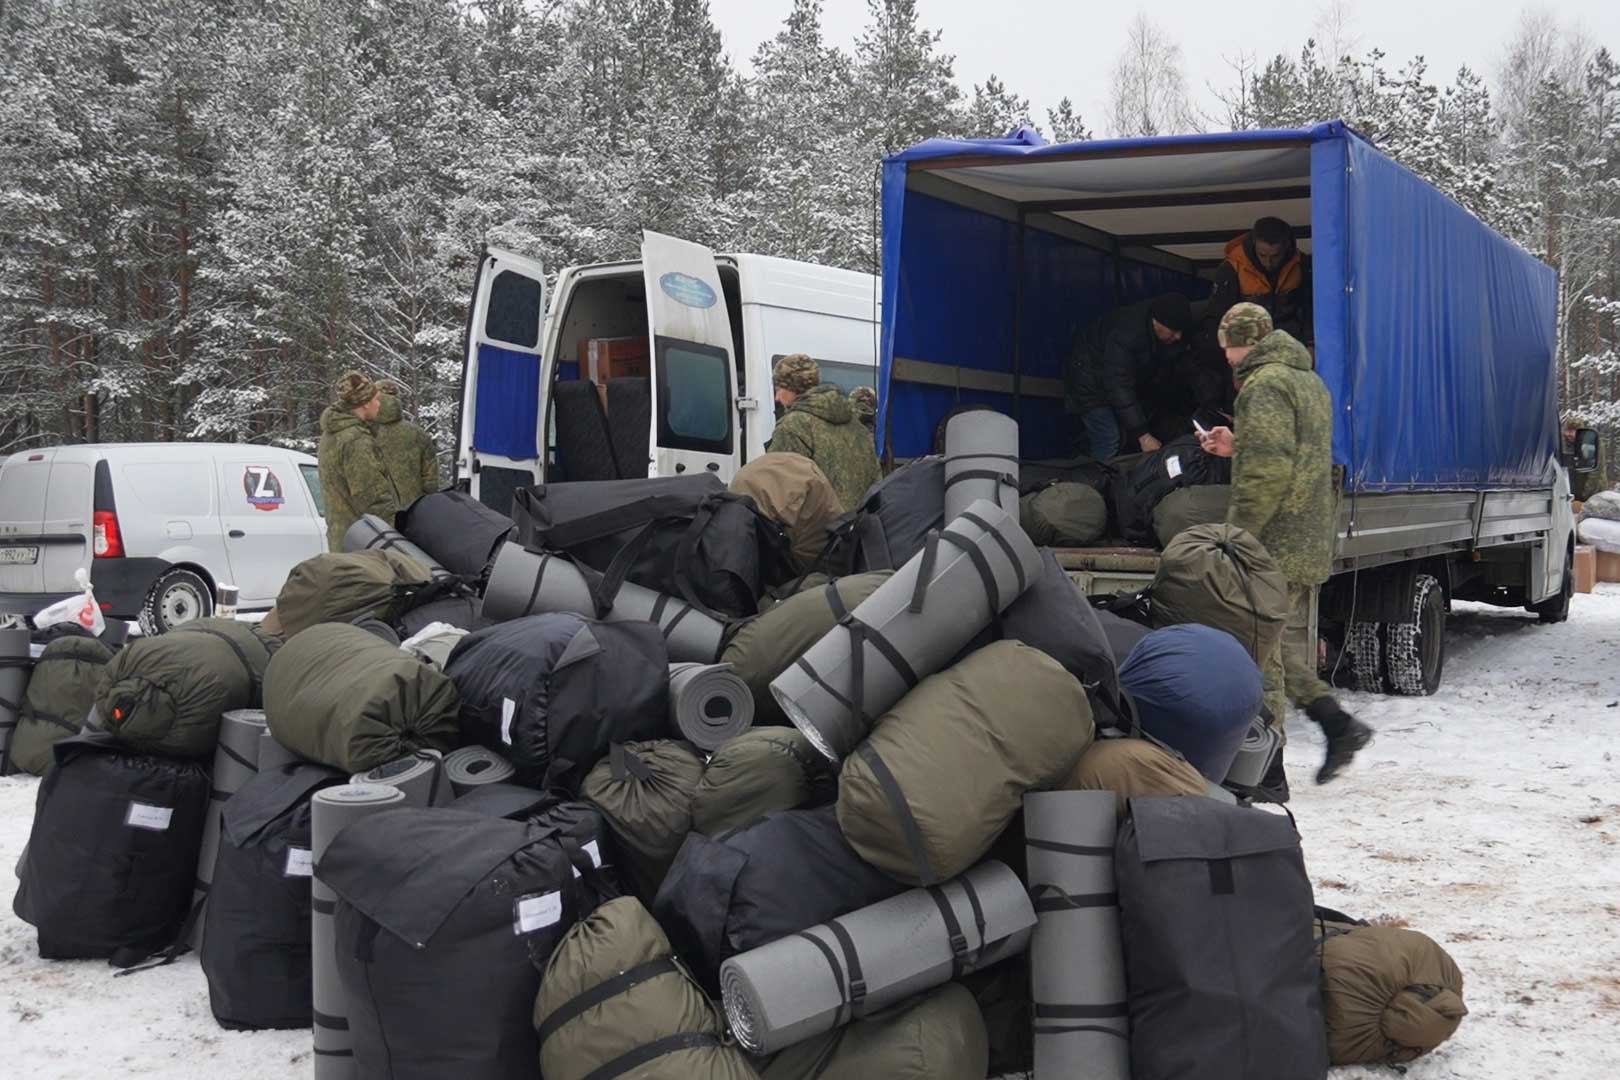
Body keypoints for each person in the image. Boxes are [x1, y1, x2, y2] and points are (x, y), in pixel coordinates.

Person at [1199, 303, 1372, 791]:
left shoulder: (1265, 384)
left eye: (1228, 346)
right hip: (1309, 534)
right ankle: (1335, 723)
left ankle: (1267, 774)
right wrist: (1239, 443)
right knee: (1268, 643)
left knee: (1256, 652)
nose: (1227, 357)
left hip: (1276, 541)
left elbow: (1267, 473)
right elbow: (1289, 451)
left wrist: (1235, 537)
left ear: (1242, 340)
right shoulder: (1307, 382)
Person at [1065, 293, 1195, 460]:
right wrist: (1143, 435)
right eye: (1174, 331)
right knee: (1109, 437)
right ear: (1156, 322)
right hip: (1087, 381)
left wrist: (1212, 407)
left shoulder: (1163, 338)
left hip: (1111, 381)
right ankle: (1095, 481)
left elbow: (1186, 369)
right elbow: (1119, 383)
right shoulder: (1128, 334)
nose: (1178, 337)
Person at [767, 354, 881, 512]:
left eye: (780, 388)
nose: (777, 397)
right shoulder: (855, 424)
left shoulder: (793, 426)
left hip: (817, 532)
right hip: (858, 527)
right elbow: (875, 479)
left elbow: (780, 490)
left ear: (794, 388)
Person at [317, 370, 399, 551]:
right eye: (376, 400)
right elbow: (373, 499)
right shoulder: (356, 441)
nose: (379, 404)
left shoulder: (332, 434)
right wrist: (396, 540)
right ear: (364, 405)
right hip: (366, 546)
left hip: (343, 540)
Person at [1203, 216, 1313, 346]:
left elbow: (1310, 310)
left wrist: (1311, 343)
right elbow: (1217, 317)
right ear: (1254, 244)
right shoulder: (1232, 268)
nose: (1268, 262)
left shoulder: (1301, 265)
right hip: (1247, 344)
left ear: (1286, 247)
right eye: (1262, 255)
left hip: (1291, 342)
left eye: (1275, 256)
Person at [373, 379, 441, 510]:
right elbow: (431, 480)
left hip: (377, 517)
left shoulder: (363, 433)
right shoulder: (418, 434)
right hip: (413, 512)